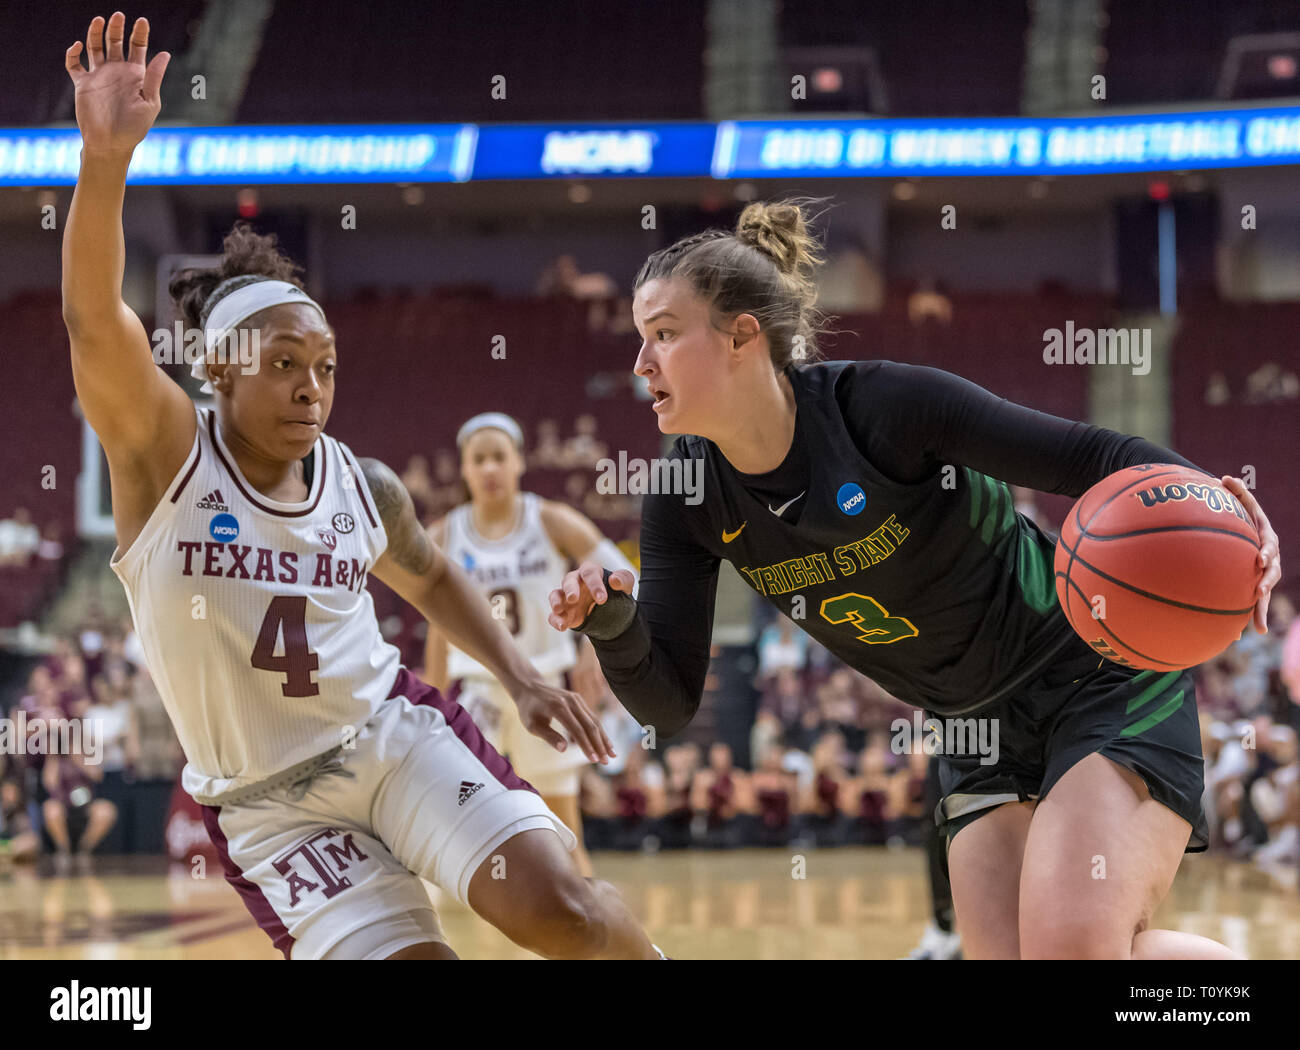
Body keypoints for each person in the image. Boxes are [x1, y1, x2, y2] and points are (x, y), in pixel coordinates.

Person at [61, 13, 659, 960]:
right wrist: (105, 162)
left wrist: (521, 675)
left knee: (566, 914)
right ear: (220, 369)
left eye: (328, 365)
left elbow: (425, 575)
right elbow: (96, 324)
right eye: (286, 363)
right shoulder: (163, 457)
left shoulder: (362, 483)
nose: (313, 386)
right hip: (273, 814)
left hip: (393, 739)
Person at [548, 198, 1282, 959]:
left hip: (1094, 678)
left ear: (741, 336)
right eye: (641, 339)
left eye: (663, 335)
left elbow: (1096, 456)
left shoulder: (884, 409)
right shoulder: (684, 496)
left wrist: (1232, 514)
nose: (641, 364)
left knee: (1074, 951)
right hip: (974, 726)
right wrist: (610, 623)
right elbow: (668, 702)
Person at [423, 411, 639, 877]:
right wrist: (434, 700)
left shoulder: (552, 520)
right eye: (477, 460)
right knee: (460, 824)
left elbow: (624, 578)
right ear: (463, 469)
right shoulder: (442, 535)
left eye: (499, 457)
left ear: (519, 462)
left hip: (544, 687)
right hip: (477, 689)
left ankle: (591, 930)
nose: (489, 469)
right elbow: (438, 627)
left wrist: (596, 644)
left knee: (564, 834)